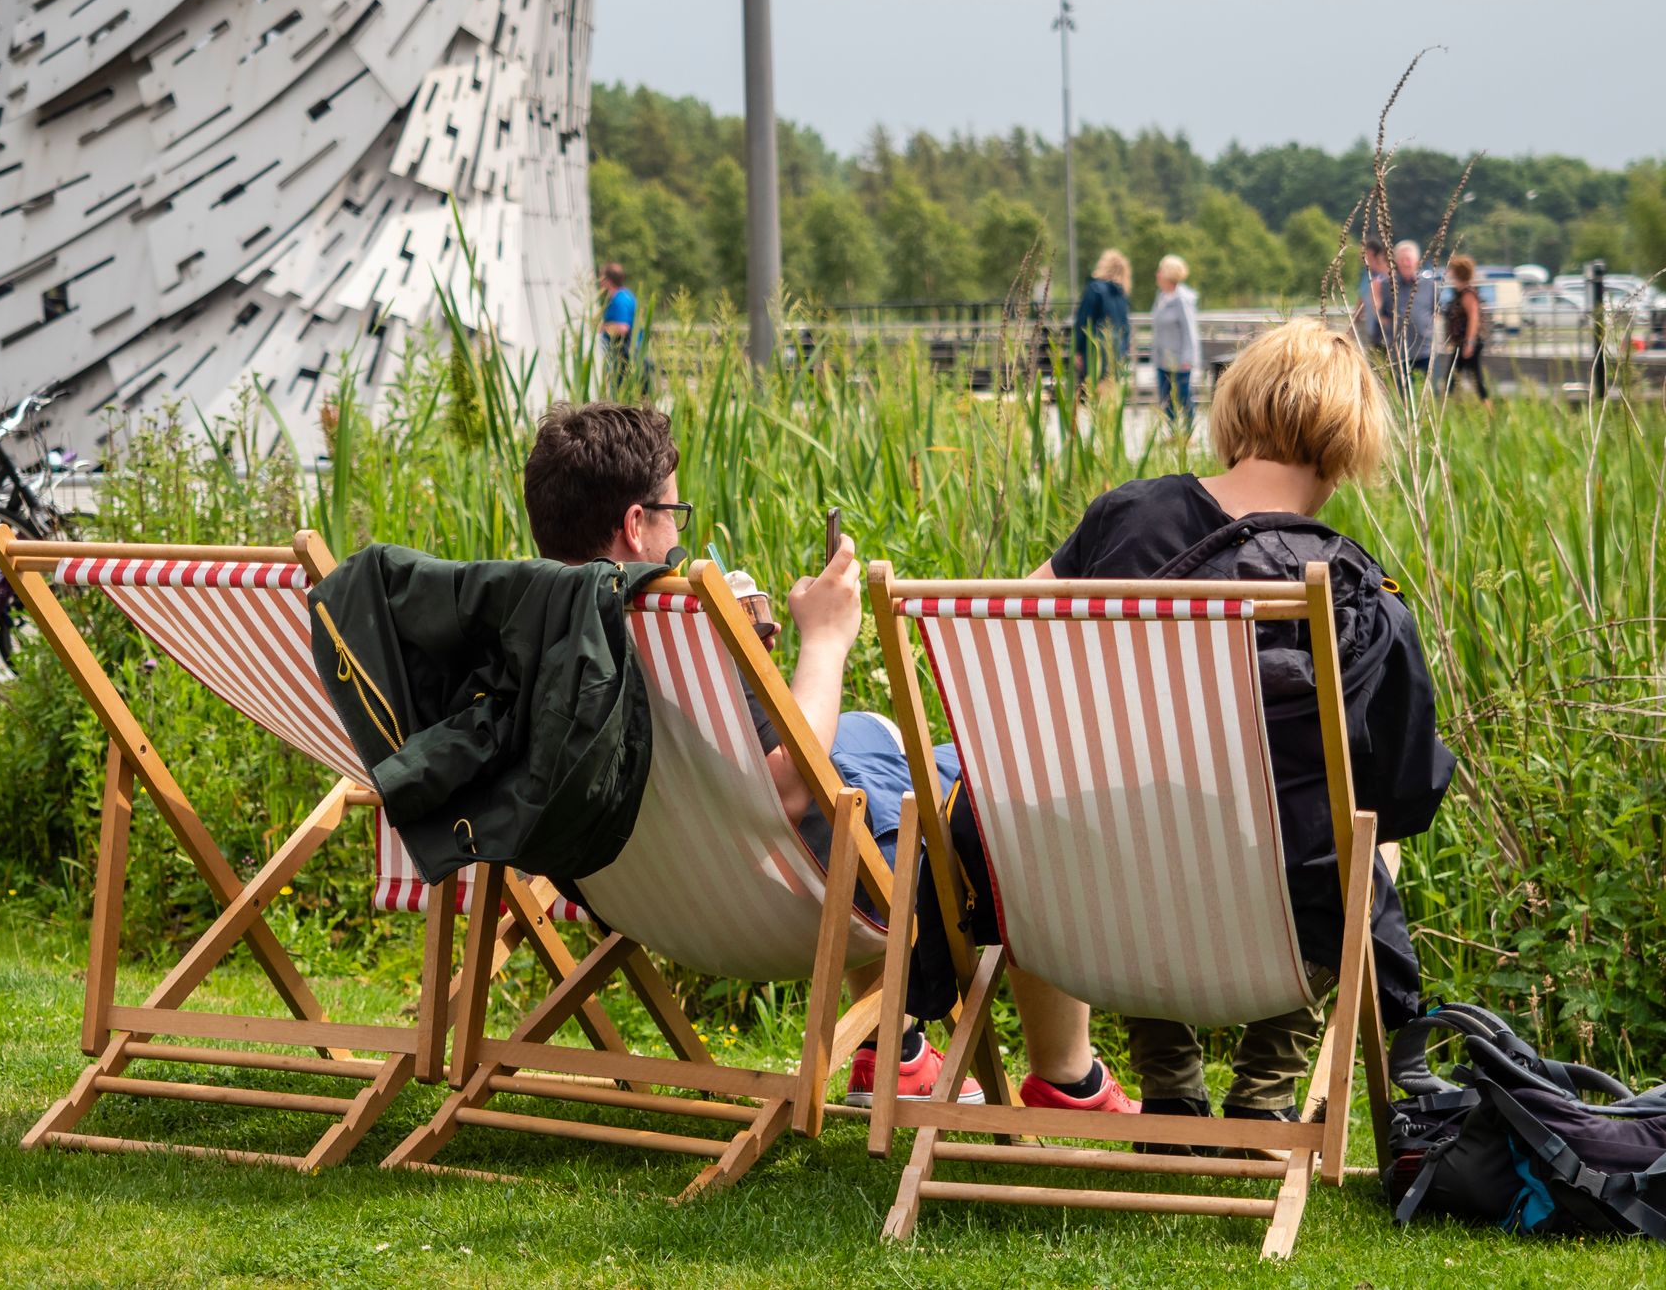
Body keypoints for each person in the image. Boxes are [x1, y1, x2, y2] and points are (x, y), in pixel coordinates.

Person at [520, 402, 1138, 1115]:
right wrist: (827, 636)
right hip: (783, 900)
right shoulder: (672, 617)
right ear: (635, 525)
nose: (676, 532)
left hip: (639, 893)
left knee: (866, 737)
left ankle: (895, 1047)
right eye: (672, 513)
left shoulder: (536, 616)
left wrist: (742, 661)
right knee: (1007, 779)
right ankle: (1066, 1076)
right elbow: (787, 792)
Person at [1030, 318, 1456, 1131]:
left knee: (1124, 808)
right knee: (1367, 830)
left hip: (1100, 918)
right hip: (1271, 936)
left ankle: (1171, 1081)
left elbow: (1007, 635)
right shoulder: (1354, 590)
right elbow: (1407, 789)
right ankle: (1266, 1087)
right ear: (1344, 448)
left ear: (1236, 413)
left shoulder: (1123, 517)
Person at [1375, 240, 1439, 386]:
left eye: (1409, 259)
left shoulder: (1429, 284)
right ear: (1396, 262)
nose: (1406, 263)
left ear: (1417, 261)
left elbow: (1436, 311)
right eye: (1402, 259)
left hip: (1425, 350)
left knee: (1426, 393)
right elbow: (1383, 314)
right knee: (1402, 394)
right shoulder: (1388, 286)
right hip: (1399, 352)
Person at [1150, 254, 1202, 426]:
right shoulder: (1162, 297)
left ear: (1168, 275)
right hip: (1162, 358)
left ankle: (1187, 432)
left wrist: (1188, 359)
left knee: (1183, 398)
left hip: (1180, 360)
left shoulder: (1182, 300)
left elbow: (1190, 331)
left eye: (1160, 271)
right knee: (1166, 398)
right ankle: (1173, 432)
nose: (1157, 275)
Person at [1071, 249, 1133, 392]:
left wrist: (1077, 350)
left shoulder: (1094, 289)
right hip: (1117, 350)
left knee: (1094, 393)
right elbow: (1125, 326)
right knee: (1111, 393)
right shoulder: (1122, 293)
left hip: (1095, 350)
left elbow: (1083, 321)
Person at [1441, 255, 1489, 401]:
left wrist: (1469, 342)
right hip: (1461, 343)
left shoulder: (1468, 294)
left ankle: (1488, 410)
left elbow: (1474, 318)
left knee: (1472, 379)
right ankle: (1450, 406)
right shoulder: (1460, 293)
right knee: (1455, 378)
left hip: (1467, 343)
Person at [599, 263, 638, 372]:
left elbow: (622, 328)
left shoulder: (619, 300)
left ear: (608, 281)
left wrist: (602, 327)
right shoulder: (627, 295)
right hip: (629, 354)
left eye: (601, 278)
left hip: (625, 356)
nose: (599, 282)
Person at [1353, 237, 1388, 349]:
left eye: (1362, 253)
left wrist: (1352, 326)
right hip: (1374, 329)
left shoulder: (1378, 276)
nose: (1359, 257)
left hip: (1384, 329)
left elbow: (1361, 302)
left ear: (1370, 253)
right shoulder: (1368, 274)